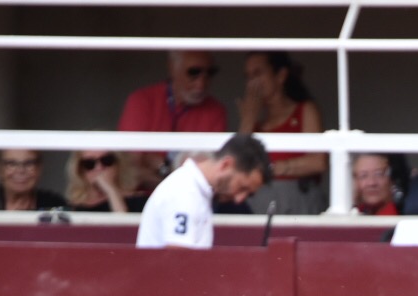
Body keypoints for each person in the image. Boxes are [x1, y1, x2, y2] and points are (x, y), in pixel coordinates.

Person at [118, 50, 230, 193]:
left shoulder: (216, 111)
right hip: (141, 199)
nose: (201, 83)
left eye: (209, 73)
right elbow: (129, 169)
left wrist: (163, 168)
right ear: (172, 68)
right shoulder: (142, 101)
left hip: (193, 198)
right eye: (194, 72)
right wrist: (179, 177)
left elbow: (210, 175)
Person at [136, 134, 269, 250]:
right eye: (242, 187)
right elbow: (176, 260)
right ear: (226, 165)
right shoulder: (184, 193)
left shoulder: (193, 189)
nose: (239, 199)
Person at [238, 51, 326, 216]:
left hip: (299, 200)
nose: (252, 83)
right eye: (248, 77)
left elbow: (318, 162)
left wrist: (272, 169)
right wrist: (248, 121)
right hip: (258, 203)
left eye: (258, 73)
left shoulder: (304, 110)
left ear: (280, 75)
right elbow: (238, 163)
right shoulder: (254, 121)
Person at [0, 149, 65, 211]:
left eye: (29, 163)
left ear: (39, 168)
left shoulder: (54, 203)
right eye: (11, 164)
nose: (20, 170)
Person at [64, 150, 143, 213]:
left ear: (118, 165)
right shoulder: (73, 207)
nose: (99, 168)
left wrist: (111, 191)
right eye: (89, 164)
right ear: (80, 170)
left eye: (106, 161)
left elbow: (124, 229)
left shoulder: (137, 201)